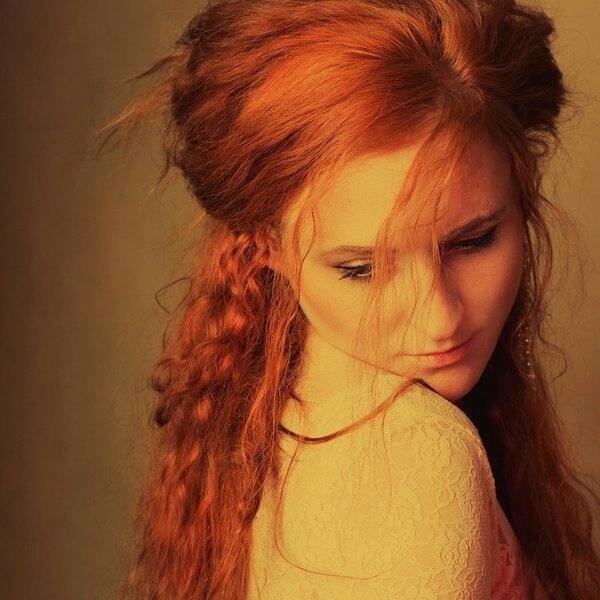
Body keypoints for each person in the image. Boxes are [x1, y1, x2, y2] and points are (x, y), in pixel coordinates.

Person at [95, 0, 600, 598]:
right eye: (361, 269)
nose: (440, 317)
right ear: (267, 248)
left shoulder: (273, 418)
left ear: (523, 189)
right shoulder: (417, 456)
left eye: (473, 241)